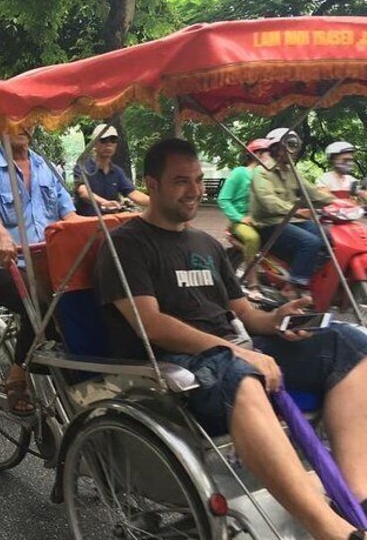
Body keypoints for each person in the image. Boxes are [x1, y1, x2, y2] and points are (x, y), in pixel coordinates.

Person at [95, 137, 367, 540]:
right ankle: (330, 530)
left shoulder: (206, 244)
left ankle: (355, 499)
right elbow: (150, 323)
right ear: (150, 184)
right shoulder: (125, 244)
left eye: (198, 180)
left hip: (233, 350)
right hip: (175, 368)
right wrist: (237, 352)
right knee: (241, 372)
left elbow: (244, 315)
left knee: (348, 343)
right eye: (180, 181)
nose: (193, 191)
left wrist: (277, 320)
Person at [0, 125, 78, 415]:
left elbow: (69, 214)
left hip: (46, 266)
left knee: (82, 300)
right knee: (42, 301)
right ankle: (18, 373)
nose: (24, 125)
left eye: (29, 118)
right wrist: (2, 235)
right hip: (1, 266)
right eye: (14, 118)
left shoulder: (47, 168)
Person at [251, 128, 335, 299]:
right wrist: (296, 211)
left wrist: (337, 202)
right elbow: (268, 202)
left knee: (330, 238)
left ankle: (303, 275)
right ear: (275, 148)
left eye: (295, 146)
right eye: (288, 145)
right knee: (310, 242)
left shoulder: (292, 172)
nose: (293, 150)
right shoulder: (262, 172)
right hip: (269, 224)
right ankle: (292, 286)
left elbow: (312, 193)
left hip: (291, 222)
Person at [218, 138, 272, 297]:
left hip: (262, 220)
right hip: (241, 222)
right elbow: (223, 199)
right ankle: (253, 283)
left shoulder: (269, 176)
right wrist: (239, 218)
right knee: (253, 239)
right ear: (258, 154)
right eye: (269, 153)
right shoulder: (240, 173)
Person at [73, 124, 149, 215]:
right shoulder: (83, 166)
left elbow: (133, 193)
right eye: (104, 140)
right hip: (86, 223)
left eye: (113, 140)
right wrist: (103, 202)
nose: (109, 144)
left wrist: (159, 203)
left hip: (110, 224)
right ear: (94, 143)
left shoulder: (117, 172)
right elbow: (83, 192)